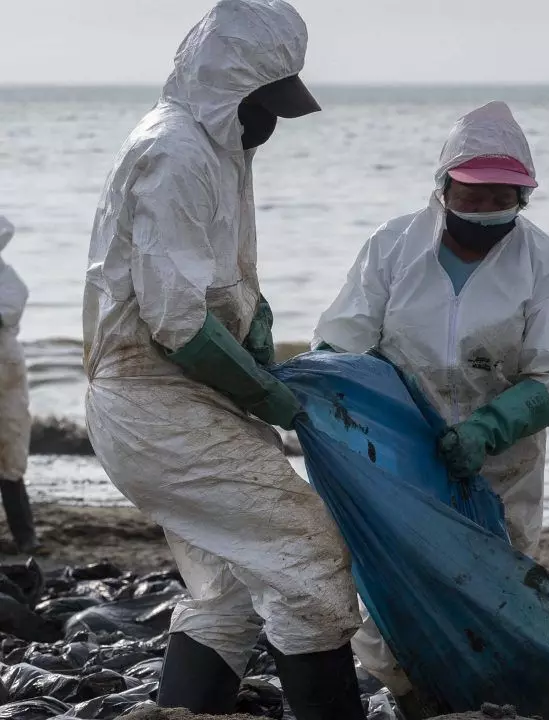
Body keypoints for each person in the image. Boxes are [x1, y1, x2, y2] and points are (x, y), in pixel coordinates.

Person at [83, 2, 365, 717]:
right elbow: (175, 320)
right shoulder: (176, 150)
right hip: (155, 402)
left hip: (182, 399)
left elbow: (214, 282)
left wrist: (256, 325)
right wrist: (271, 397)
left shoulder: (214, 149)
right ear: (225, 86)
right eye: (262, 104)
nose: (268, 122)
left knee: (229, 591)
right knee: (311, 566)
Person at [313, 100, 549, 716]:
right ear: (443, 187)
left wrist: (489, 428)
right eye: (473, 192)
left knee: (498, 587)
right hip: (397, 457)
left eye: (502, 197)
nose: (486, 208)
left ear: (523, 197)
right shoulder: (392, 246)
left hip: (501, 467)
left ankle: (487, 698)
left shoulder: (542, 261)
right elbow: (344, 342)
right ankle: (413, 697)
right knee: (388, 589)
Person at [0, 216, 35, 553]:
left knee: (10, 443)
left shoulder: (9, 281)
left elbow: (7, 311)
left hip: (5, 368)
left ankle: (25, 535)